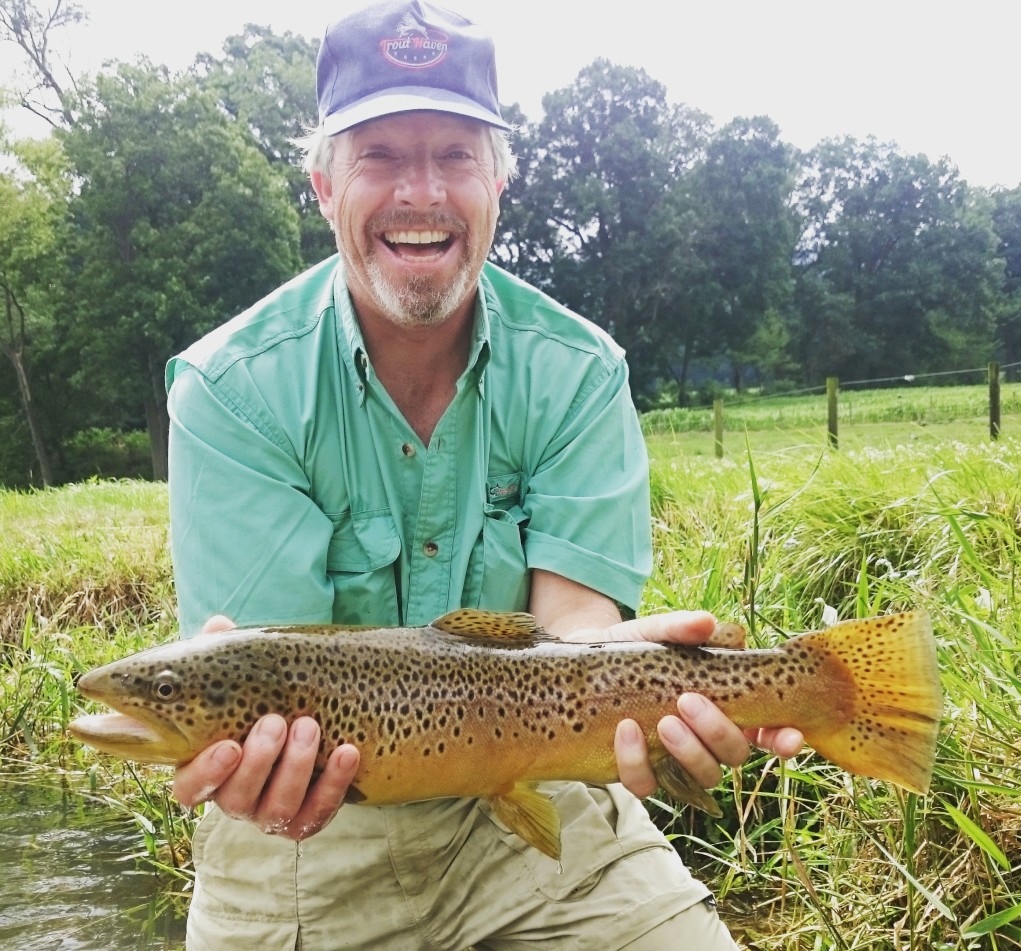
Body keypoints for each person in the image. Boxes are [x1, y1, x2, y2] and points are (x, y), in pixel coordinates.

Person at [165, 2, 803, 948]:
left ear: (500, 178)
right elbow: (271, 679)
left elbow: (573, 640)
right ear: (322, 185)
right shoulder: (231, 388)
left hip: (541, 786)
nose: (420, 192)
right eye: (379, 154)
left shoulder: (580, 371)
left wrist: (640, 679)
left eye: (456, 155)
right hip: (307, 832)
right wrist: (257, 769)